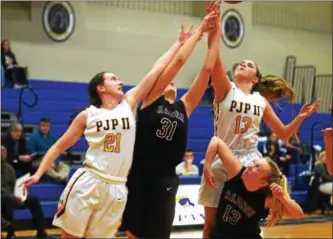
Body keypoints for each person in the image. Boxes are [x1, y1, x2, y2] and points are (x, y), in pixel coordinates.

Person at [20, 26, 191, 239]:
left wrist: (179, 43)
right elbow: (59, 145)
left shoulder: (128, 103)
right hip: (90, 180)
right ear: (100, 88)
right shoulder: (87, 115)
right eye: (113, 79)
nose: (120, 81)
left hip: (118, 187)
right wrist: (38, 174)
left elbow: (157, 70)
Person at [199, 2, 320, 237]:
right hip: (224, 158)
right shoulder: (226, 88)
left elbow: (284, 133)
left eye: (249, 65)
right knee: (210, 225)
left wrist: (301, 118)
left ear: (255, 79)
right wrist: (215, 25)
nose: (243, 64)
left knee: (248, 218)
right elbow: (214, 59)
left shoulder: (260, 101)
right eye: (241, 63)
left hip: (250, 163)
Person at [121, 8, 220, 239]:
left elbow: (207, 71)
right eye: (169, 78)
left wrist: (215, 37)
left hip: (166, 178)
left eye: (175, 81)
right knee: (135, 234)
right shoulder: (152, 98)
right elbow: (177, 61)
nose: (172, 80)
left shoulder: (184, 106)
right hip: (140, 174)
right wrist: (200, 31)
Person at [204, 137, 303, 238]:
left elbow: (298, 215)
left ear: (263, 182)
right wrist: (207, 166)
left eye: (257, 168)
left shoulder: (267, 198)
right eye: (254, 163)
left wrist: (284, 198)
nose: (251, 166)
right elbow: (216, 141)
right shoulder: (236, 172)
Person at [1, 146, 48, 239]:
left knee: (34, 200)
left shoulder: (9, 168)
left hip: (12, 196)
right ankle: (10, 232)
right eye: (0, 152)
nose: (1, 154)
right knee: (7, 199)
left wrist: (21, 193)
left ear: (6, 155)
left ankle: (41, 230)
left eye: (3, 152)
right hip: (3, 198)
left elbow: (15, 185)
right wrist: (14, 197)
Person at [28, 117, 70, 183]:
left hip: (52, 160)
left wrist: (55, 162)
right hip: (39, 161)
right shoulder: (33, 137)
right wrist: (44, 159)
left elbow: (58, 151)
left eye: (47, 126)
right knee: (45, 167)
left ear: (50, 126)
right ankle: (60, 178)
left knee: (65, 167)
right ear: (39, 126)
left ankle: (60, 177)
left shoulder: (53, 137)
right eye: (43, 125)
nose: (45, 128)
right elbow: (31, 152)